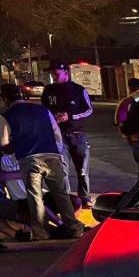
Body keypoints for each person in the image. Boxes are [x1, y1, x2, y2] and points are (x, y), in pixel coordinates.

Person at [0, 83, 83, 240]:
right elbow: (57, 135)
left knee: (35, 197)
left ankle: (41, 233)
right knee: (61, 194)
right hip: (52, 155)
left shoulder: (6, 116)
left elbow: (2, 142)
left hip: (30, 158)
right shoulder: (43, 110)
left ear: (5, 99)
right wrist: (56, 153)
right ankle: (74, 229)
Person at [41, 62, 93, 205]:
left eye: (56, 73)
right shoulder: (49, 90)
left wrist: (69, 116)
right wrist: (53, 118)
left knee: (82, 169)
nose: (53, 76)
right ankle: (67, 200)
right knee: (62, 170)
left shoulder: (78, 90)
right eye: (52, 74)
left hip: (77, 135)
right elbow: (44, 110)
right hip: (58, 136)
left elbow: (88, 110)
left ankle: (85, 197)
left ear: (66, 73)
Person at [113, 76, 139, 167]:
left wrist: (126, 136)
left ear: (129, 87)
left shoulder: (126, 102)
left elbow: (120, 121)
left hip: (136, 139)